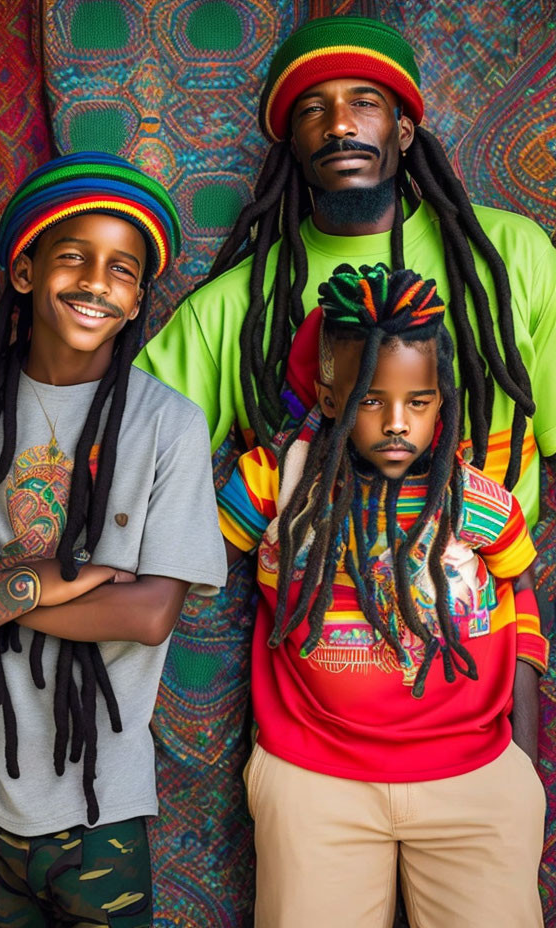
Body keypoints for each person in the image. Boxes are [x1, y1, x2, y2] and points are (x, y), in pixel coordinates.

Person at [133, 16, 556, 919]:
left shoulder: (509, 259)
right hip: (313, 747)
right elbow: (123, 443)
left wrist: (522, 739)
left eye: (365, 103)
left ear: (405, 129)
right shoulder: (239, 305)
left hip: (474, 728)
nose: (339, 126)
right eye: (314, 111)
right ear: (291, 141)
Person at [217, 262, 548, 927]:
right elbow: (184, 563)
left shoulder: (478, 502)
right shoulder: (274, 485)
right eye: (371, 398)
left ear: (442, 403)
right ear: (333, 397)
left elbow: (521, 592)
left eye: (418, 402)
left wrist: (522, 755)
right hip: (313, 778)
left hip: (473, 777)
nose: (397, 422)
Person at [0, 151, 227, 927]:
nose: (97, 282)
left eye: (122, 270)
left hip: (102, 805)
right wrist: (55, 578)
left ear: (138, 300)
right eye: (74, 257)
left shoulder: (167, 424)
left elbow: (147, 615)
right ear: (27, 272)